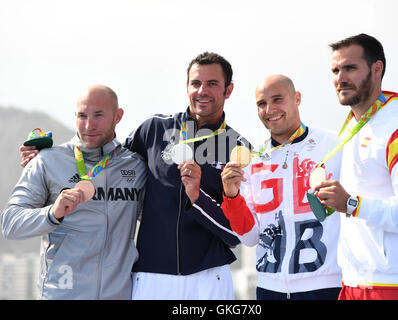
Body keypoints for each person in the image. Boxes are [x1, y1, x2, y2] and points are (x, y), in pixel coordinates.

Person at [18, 53, 248, 300]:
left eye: (212, 83)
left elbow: (237, 234)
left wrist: (197, 197)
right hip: (151, 275)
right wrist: (49, 159)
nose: (202, 90)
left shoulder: (238, 147)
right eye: (195, 83)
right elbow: (106, 160)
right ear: (187, 87)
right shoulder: (154, 129)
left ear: (228, 89)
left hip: (209, 275)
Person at [313, 33, 398, 300]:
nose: (340, 78)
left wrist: (352, 204)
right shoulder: (355, 126)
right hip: (354, 282)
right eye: (335, 70)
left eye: (350, 68)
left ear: (376, 68)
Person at [1, 85, 146, 299]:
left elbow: (160, 221)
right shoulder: (47, 161)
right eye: (81, 115)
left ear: (118, 116)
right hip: (62, 294)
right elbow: (10, 224)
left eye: (98, 115)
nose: (89, 125)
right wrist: (52, 213)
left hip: (118, 295)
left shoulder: (136, 166)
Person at [220, 74, 343, 300]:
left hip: (327, 285)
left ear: (297, 98)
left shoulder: (334, 145)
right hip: (270, 288)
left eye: (278, 99)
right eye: (261, 104)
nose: (269, 109)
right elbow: (249, 237)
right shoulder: (253, 160)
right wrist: (231, 195)